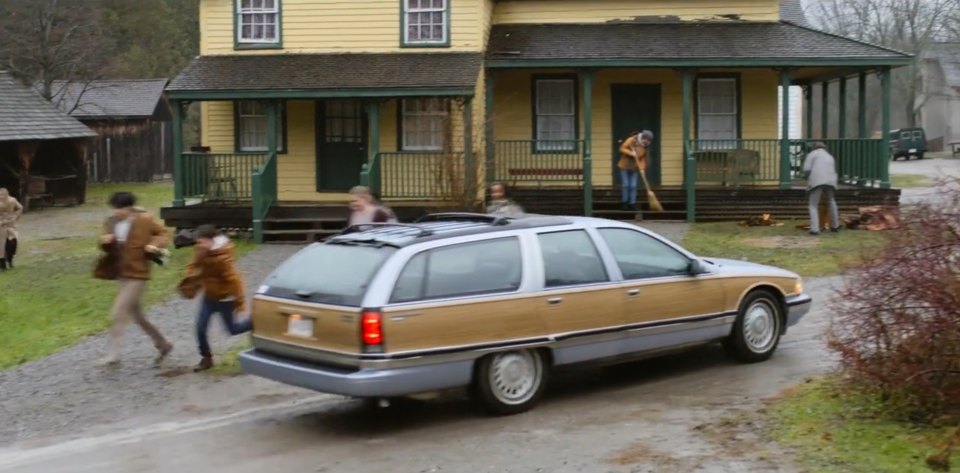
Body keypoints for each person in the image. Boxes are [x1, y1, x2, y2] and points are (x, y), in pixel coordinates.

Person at [93, 191, 173, 367]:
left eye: (120, 208)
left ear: (129, 207)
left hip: (138, 274)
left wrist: (153, 245)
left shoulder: (145, 220)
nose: (116, 212)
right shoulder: (112, 222)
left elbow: (163, 234)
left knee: (118, 313)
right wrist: (105, 241)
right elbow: (107, 246)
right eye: (114, 208)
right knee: (137, 315)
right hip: (122, 273)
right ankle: (163, 344)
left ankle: (113, 355)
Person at [178, 224, 251, 371]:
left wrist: (240, 302)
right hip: (209, 297)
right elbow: (193, 266)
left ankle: (255, 322)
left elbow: (234, 280)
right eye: (198, 242)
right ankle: (206, 358)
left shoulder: (224, 258)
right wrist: (191, 279)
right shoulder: (201, 251)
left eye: (202, 242)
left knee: (233, 329)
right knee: (200, 327)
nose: (199, 245)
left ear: (212, 240)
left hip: (225, 299)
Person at [803, 142, 841, 235]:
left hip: (817, 181)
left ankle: (815, 229)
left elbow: (807, 169)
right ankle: (835, 226)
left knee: (813, 205)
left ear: (814, 148)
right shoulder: (830, 156)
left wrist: (806, 179)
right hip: (831, 181)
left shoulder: (812, 154)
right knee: (831, 202)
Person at [617, 130, 655, 210]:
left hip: (634, 167)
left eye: (649, 141)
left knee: (633, 186)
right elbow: (622, 148)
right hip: (624, 166)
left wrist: (642, 168)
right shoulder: (632, 140)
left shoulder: (645, 147)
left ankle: (632, 203)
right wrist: (631, 153)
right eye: (646, 140)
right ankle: (625, 203)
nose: (647, 142)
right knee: (625, 185)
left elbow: (642, 159)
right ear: (643, 138)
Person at [0, 188, 23, 271]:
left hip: (11, 224)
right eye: (0, 195)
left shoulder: (12, 200)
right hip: (1, 225)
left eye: (3, 195)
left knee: (13, 242)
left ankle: (10, 260)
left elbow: (20, 207)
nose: (1, 197)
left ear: (7, 194)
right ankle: (2, 264)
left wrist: (16, 217)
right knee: (1, 245)